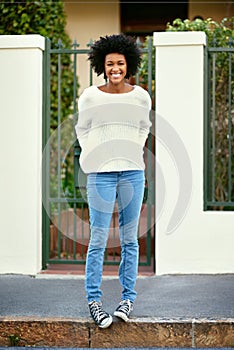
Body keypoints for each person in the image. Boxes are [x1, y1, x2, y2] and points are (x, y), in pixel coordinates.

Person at [75, 33, 152, 328]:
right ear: (102, 65)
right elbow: (83, 130)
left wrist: (130, 150)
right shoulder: (90, 96)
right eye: (110, 64)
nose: (115, 68)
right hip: (101, 175)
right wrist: (93, 156)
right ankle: (94, 301)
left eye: (120, 63)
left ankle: (127, 299)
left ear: (128, 65)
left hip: (132, 173)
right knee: (97, 238)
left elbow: (144, 127)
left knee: (130, 239)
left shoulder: (141, 96)